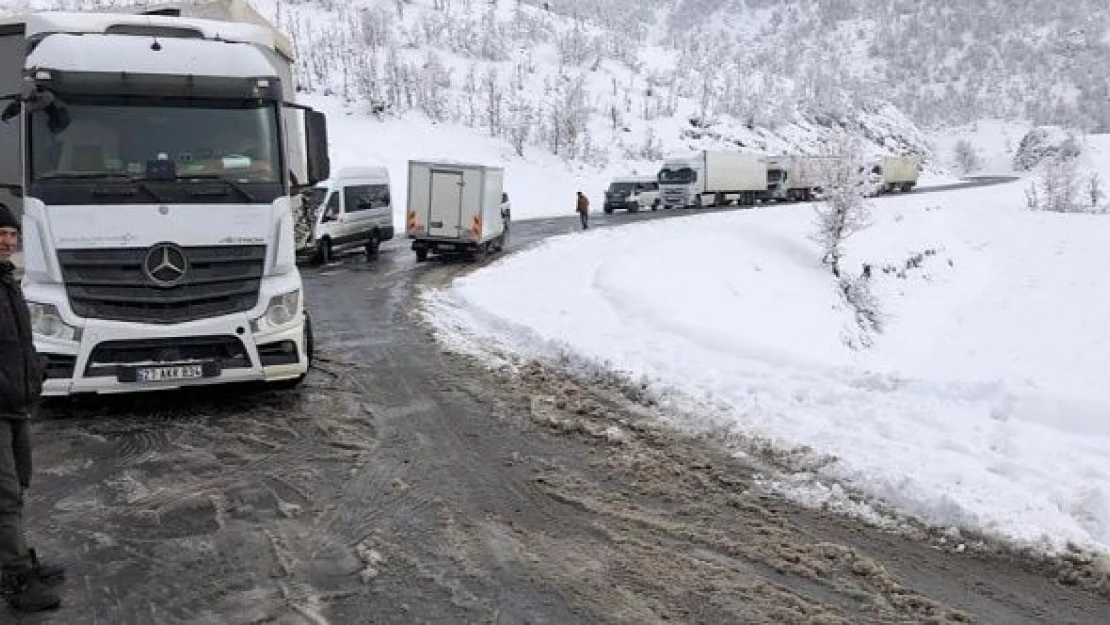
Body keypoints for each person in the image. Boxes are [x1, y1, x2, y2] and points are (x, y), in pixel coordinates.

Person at [0, 203, 65, 613]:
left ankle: (17, 553)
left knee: (19, 481)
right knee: (3, 493)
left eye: (10, 235)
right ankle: (15, 577)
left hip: (16, 403)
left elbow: (19, 343)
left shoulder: (8, 283)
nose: (8, 241)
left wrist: (36, 369)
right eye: (0, 235)